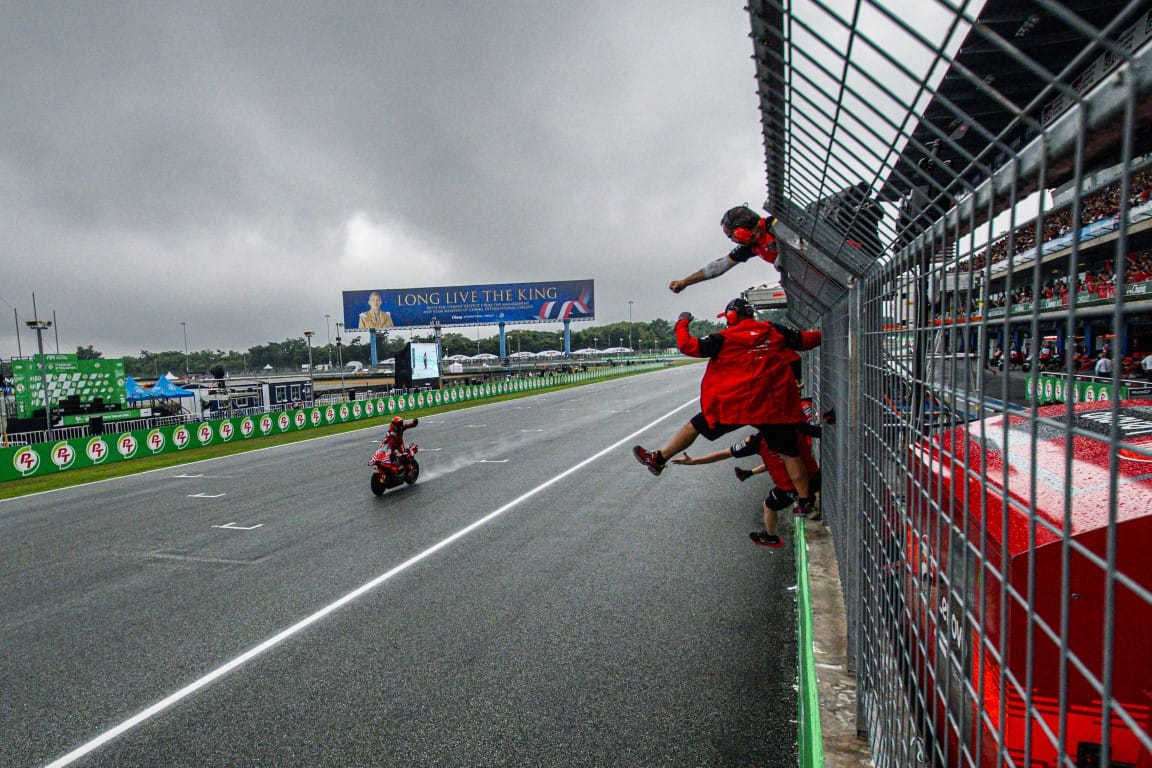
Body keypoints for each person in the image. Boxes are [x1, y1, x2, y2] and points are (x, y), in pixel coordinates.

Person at [632, 296, 822, 514]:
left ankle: (658, 459)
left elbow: (688, 346)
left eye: (728, 318)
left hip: (737, 406)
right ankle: (805, 501)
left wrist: (682, 322)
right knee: (790, 453)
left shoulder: (724, 338)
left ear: (733, 316)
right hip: (773, 407)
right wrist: (830, 333)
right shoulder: (773, 330)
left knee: (695, 425)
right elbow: (805, 340)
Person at [672, 412, 823, 548]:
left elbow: (724, 454)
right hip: (815, 477)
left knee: (769, 504)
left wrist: (694, 461)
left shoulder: (757, 441)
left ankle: (770, 537)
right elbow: (817, 431)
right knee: (781, 465)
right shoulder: (792, 425)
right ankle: (807, 502)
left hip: (792, 488)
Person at [668, 206, 779, 294]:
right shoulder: (751, 247)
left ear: (740, 231)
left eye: (731, 236)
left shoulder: (775, 224)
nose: (733, 240)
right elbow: (717, 267)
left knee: (779, 263)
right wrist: (685, 282)